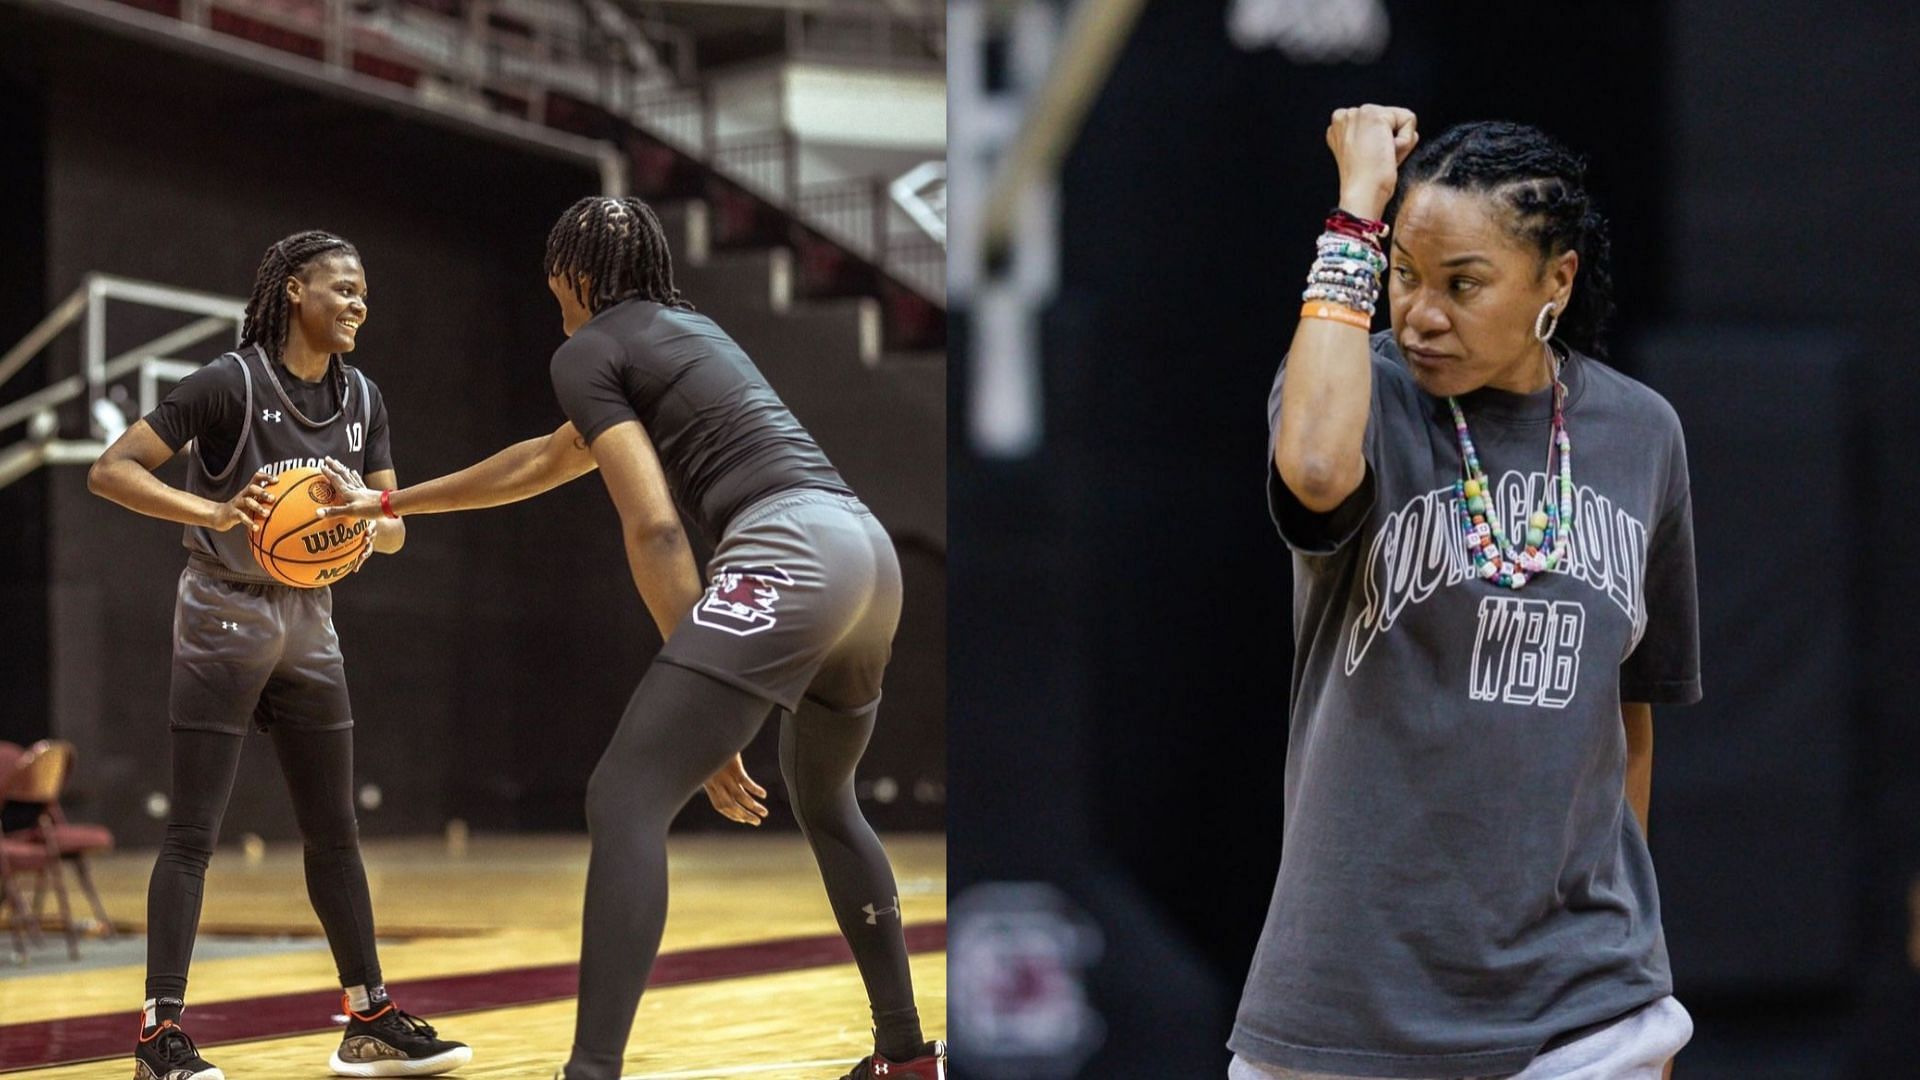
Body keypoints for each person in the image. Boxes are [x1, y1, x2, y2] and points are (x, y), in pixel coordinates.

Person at [316, 196, 946, 1080]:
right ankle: (906, 1055)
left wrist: (702, 694)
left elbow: (654, 529)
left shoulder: (587, 348)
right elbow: (545, 460)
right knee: (827, 801)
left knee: (625, 797)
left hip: (790, 549)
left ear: (572, 278)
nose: (557, 306)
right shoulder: (684, 330)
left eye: (556, 288)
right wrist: (387, 500)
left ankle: (592, 1073)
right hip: (868, 557)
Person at [1234, 107, 1701, 1080]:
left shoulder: (1642, 434)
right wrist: (1358, 209)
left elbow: (1631, 719)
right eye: (1405, 273)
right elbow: (1317, 468)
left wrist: (1633, 977)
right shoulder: (1358, 389)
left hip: (1583, 1016)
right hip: (1345, 1003)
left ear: (1556, 282)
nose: (1422, 314)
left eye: (1463, 283)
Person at [89, 230, 471, 1080]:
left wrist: (368, 508)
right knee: (193, 831)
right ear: (294, 290)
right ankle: (159, 1036)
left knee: (334, 830)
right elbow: (112, 471)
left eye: (364, 292)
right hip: (222, 611)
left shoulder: (365, 396)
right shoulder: (230, 383)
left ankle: (369, 1017)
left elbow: (398, 529)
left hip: (311, 617)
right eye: (342, 288)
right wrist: (219, 511)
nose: (358, 304)